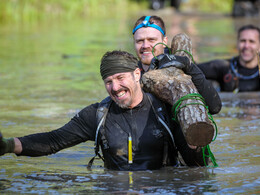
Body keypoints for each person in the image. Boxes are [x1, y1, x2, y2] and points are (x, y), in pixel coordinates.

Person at [0, 50, 209, 171]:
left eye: (120, 78)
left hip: (160, 188)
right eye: (108, 82)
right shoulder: (98, 115)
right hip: (113, 187)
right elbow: (53, 141)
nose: (115, 88)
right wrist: (7, 145)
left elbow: (197, 166)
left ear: (137, 74)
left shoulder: (164, 109)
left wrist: (194, 144)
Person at [132, 15, 222, 114]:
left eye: (151, 40)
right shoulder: (130, 73)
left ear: (164, 41)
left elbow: (215, 107)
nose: (145, 46)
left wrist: (189, 66)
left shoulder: (182, 67)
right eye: (140, 41)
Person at [197, 24, 260, 92]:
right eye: (243, 41)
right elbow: (192, 69)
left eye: (252, 41)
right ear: (237, 44)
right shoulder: (224, 67)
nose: (246, 46)